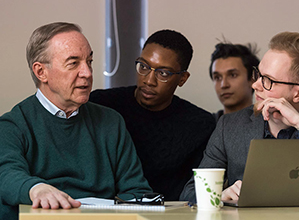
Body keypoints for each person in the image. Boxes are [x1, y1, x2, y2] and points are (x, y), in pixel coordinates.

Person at [0, 22, 152, 220]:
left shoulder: (111, 122)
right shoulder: (13, 125)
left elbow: (137, 191)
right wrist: (36, 189)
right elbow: (6, 174)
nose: (87, 73)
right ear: (41, 72)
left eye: (89, 61)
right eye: (73, 63)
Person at [180, 31, 299, 203]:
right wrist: (219, 196)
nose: (255, 85)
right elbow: (190, 192)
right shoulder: (229, 126)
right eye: (258, 74)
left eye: (268, 80)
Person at [89, 29, 216, 201]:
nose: (149, 80)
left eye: (163, 73)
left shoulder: (199, 124)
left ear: (182, 79)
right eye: (143, 67)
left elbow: (199, 191)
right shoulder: (101, 105)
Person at [209, 42, 260, 121]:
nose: (224, 85)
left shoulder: (269, 126)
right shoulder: (205, 127)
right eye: (217, 77)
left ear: (253, 79)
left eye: (233, 75)